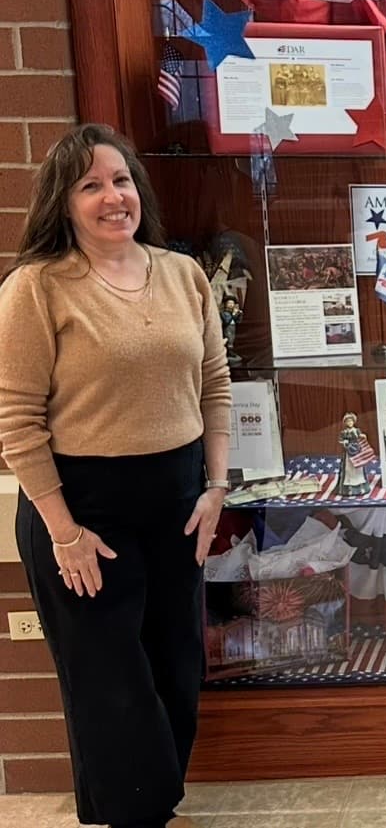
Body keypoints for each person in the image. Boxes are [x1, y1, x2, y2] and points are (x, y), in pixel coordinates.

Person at [0, 124, 232, 828]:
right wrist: (62, 529)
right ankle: (144, 816)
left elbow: (215, 385)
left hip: (177, 500)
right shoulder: (36, 286)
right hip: (81, 508)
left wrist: (216, 486)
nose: (113, 197)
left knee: (175, 669)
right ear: (63, 202)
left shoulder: (182, 272)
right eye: (91, 185)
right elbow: (15, 418)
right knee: (111, 682)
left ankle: (128, 808)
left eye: (122, 179)